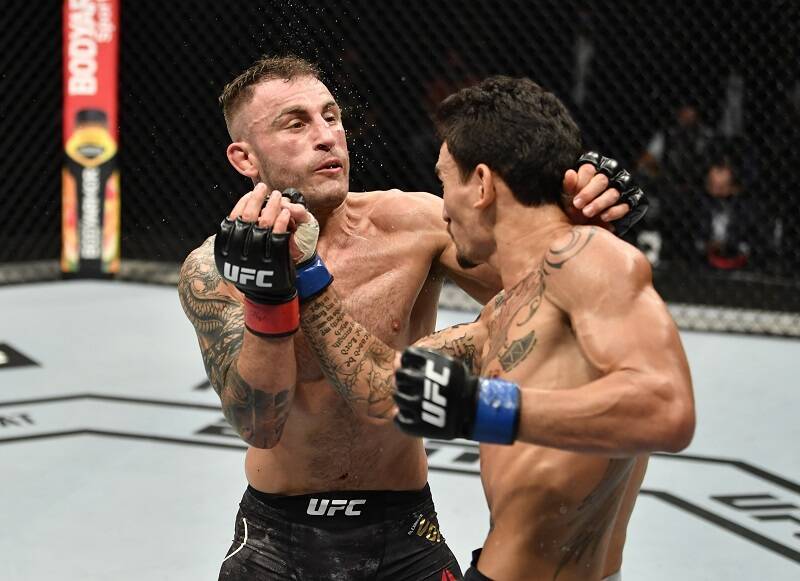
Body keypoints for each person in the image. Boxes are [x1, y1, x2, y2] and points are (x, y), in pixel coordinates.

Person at [178, 55, 644, 580]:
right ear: (244, 157)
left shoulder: (414, 224)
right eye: (296, 123)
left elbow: (551, 295)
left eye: (331, 116)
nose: (327, 136)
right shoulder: (212, 270)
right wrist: (266, 300)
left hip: (403, 530)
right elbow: (259, 425)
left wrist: (580, 225)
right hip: (276, 538)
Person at [294, 76, 694, 580]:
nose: (444, 208)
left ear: (481, 184)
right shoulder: (505, 314)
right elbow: (381, 386)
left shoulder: (589, 256)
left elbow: (666, 408)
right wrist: (305, 273)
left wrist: (482, 407)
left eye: (445, 183)